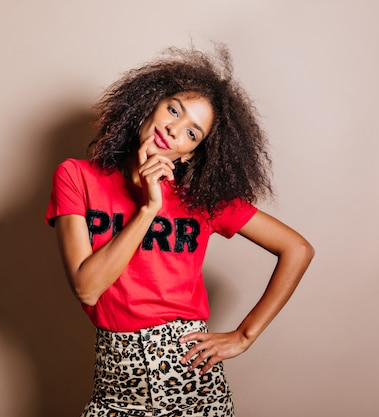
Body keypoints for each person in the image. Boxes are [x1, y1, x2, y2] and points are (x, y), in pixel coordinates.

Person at [45, 45, 314, 417]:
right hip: (115, 383)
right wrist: (148, 208)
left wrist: (243, 336)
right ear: (150, 104)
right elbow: (88, 288)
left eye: (191, 132)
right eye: (173, 109)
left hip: (190, 376)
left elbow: (297, 249)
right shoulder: (77, 177)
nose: (173, 129)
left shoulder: (202, 199)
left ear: (191, 153)